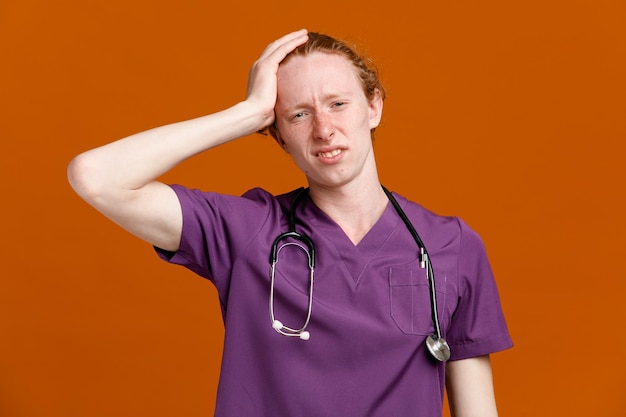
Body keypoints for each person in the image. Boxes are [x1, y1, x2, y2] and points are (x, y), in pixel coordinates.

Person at [68, 29, 512, 417]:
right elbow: (96, 177)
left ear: (373, 107)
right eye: (298, 114)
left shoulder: (451, 246)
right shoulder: (248, 232)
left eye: (338, 104)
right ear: (277, 134)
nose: (324, 129)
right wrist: (245, 114)